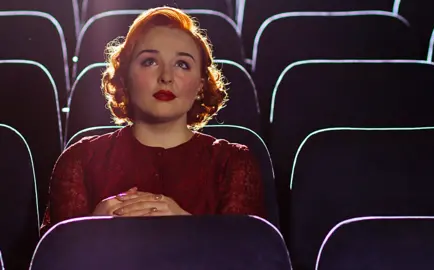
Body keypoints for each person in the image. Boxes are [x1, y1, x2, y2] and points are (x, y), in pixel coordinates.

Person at [40, 7, 265, 234]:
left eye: (182, 64)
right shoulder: (80, 160)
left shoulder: (233, 164)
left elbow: (250, 259)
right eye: (150, 61)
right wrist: (91, 231)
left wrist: (187, 226)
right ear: (125, 76)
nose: (166, 76)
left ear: (200, 86)